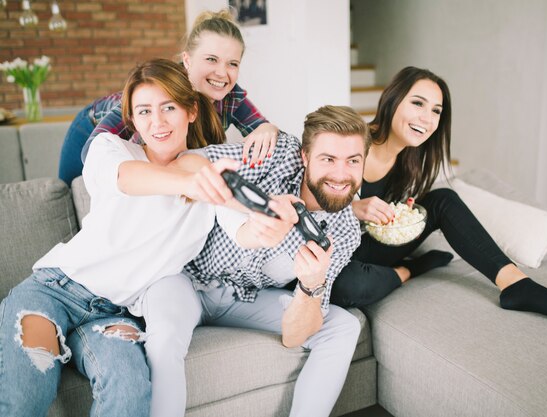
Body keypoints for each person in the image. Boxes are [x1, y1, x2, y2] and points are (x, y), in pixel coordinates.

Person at [0, 58, 239, 417]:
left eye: (168, 108)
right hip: (54, 290)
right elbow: (127, 179)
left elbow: (245, 230)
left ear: (191, 111)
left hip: (114, 314)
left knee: (128, 394)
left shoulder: (209, 173)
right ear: (133, 119)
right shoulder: (110, 150)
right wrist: (191, 183)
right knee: (27, 393)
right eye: (144, 111)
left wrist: (277, 218)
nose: (156, 122)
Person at [330, 66, 547, 321]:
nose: (427, 119)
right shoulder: (347, 143)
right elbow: (303, 206)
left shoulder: (412, 161)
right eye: (418, 103)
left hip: (371, 248)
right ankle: (409, 269)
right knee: (345, 287)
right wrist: (354, 210)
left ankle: (516, 284)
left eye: (436, 111)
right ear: (393, 99)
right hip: (332, 254)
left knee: (443, 200)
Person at [178, 105, 370, 417]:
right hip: (186, 279)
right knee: (165, 338)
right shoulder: (278, 154)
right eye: (328, 159)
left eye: (353, 161)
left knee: (344, 326)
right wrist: (251, 211)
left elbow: (295, 336)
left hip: (240, 300)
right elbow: (187, 162)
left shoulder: (345, 230)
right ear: (305, 157)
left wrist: (311, 285)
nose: (341, 174)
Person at [57, 8, 278, 186]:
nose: (222, 72)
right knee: (77, 191)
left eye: (232, 63)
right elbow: (94, 153)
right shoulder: (159, 91)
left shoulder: (230, 98)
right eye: (211, 59)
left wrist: (267, 128)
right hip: (89, 126)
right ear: (187, 60)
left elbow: (260, 128)